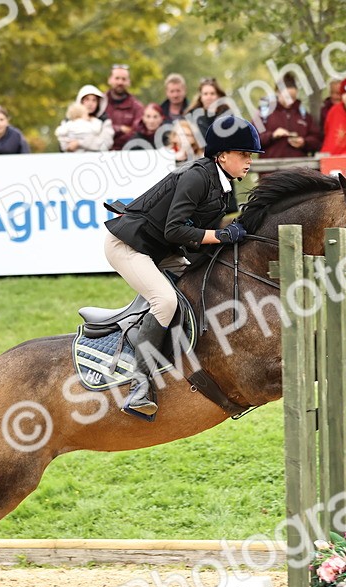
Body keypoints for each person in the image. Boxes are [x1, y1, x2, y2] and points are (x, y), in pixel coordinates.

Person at [101, 115, 262, 420]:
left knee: (203, 283)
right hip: (128, 245)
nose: (249, 161)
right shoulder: (197, 177)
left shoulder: (225, 186)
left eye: (251, 155)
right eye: (244, 154)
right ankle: (140, 384)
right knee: (165, 300)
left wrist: (227, 236)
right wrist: (220, 235)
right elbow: (175, 229)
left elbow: (197, 239)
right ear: (223, 155)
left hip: (161, 248)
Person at [261, 74, 321, 159]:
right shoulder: (263, 113)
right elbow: (252, 140)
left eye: (293, 97)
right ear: (278, 93)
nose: (290, 102)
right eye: (286, 97)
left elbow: (317, 140)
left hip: (298, 169)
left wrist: (304, 142)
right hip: (271, 170)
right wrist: (272, 135)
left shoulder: (303, 115)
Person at [56, 85, 114, 152]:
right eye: (87, 99)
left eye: (94, 100)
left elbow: (106, 144)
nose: (90, 103)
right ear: (81, 101)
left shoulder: (103, 121)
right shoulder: (69, 120)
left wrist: (79, 143)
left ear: (98, 103)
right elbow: (63, 142)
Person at [104, 64, 143, 150]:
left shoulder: (137, 107)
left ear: (129, 82)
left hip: (126, 153)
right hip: (100, 152)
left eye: (124, 79)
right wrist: (120, 129)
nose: (120, 82)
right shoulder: (99, 103)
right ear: (109, 80)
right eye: (117, 78)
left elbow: (136, 132)